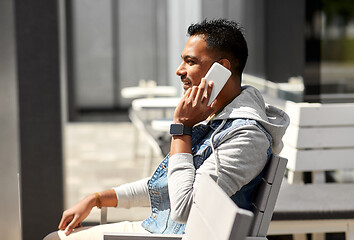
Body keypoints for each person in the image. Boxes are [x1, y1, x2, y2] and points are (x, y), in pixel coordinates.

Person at [44, 18, 289, 240]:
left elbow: (185, 208)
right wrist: (96, 199)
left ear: (222, 69)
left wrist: (181, 129)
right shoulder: (215, 118)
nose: (179, 70)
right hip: (160, 229)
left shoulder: (247, 136)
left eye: (190, 61)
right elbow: (166, 185)